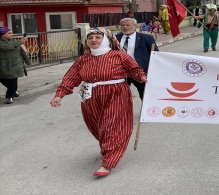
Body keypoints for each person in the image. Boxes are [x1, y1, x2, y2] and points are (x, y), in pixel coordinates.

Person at [50, 28, 147, 177]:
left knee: (113, 126)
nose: (94, 40)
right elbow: (70, 77)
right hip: (90, 97)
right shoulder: (83, 59)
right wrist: (59, 94)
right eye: (90, 38)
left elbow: (134, 69)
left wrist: (141, 76)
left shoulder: (118, 55)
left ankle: (108, 162)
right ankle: (108, 148)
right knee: (98, 127)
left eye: (97, 37)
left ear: (107, 40)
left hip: (116, 94)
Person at [115, 17, 158, 100]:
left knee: (144, 93)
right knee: (120, 95)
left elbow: (156, 54)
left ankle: (146, 112)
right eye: (123, 25)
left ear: (135, 25)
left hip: (140, 71)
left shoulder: (146, 38)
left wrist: (152, 70)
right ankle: (123, 112)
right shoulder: (115, 38)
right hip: (120, 71)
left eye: (128, 25)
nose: (125, 27)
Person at [0, 28, 31, 104]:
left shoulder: (14, 42)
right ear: (2, 35)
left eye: (11, 33)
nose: (11, 34)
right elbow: (6, 47)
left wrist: (27, 61)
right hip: (3, 65)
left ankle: (9, 97)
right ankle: (13, 90)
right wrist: (20, 42)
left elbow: (22, 52)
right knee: (3, 79)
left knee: (13, 81)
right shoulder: (2, 43)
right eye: (9, 33)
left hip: (15, 65)